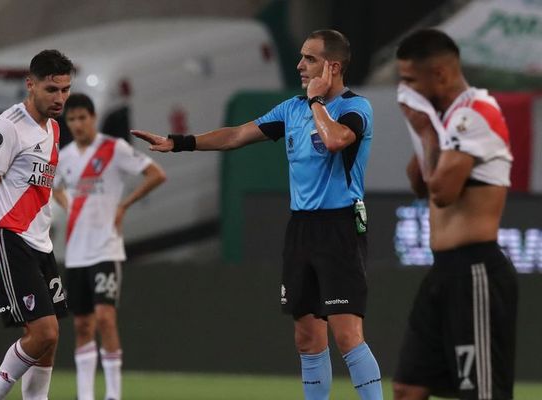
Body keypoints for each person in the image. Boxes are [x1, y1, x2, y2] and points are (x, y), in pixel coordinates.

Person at [132, 29, 383, 400]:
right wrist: (180, 143)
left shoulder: (355, 108)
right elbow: (236, 135)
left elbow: (333, 140)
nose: (299, 65)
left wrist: (316, 103)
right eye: (301, 57)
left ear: (332, 66)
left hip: (340, 227)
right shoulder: (291, 109)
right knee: (307, 337)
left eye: (309, 59)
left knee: (347, 336)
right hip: (301, 229)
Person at [393, 29, 518, 400]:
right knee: (408, 388)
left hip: (475, 270)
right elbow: (419, 183)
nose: (405, 90)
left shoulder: (476, 114)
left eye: (410, 80)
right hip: (443, 271)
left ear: (441, 75)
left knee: (480, 393)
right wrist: (424, 132)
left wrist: (426, 131)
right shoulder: (445, 119)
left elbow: (443, 192)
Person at [0, 49, 74, 400]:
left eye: (64, 89)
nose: (59, 98)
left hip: (40, 242)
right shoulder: (9, 127)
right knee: (42, 333)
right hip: (9, 237)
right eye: (51, 90)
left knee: (52, 337)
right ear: (30, 85)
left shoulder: (55, 129)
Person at [53, 93, 166, 400]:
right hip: (75, 251)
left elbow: (157, 174)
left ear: (93, 117)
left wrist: (124, 205)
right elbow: (55, 188)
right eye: (72, 119)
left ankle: (113, 394)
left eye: (82, 117)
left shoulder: (113, 149)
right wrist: (68, 203)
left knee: (105, 318)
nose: (77, 124)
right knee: (82, 325)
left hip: (105, 248)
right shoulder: (64, 157)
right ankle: (85, 395)